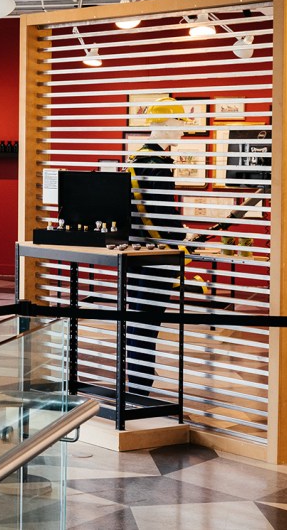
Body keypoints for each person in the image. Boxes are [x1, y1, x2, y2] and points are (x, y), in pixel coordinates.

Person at [126, 98, 189, 396]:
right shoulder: (157, 164)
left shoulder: (137, 157)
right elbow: (159, 212)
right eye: (180, 124)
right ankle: (141, 381)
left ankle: (138, 374)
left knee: (138, 314)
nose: (183, 131)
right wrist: (182, 238)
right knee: (148, 318)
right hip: (158, 251)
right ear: (165, 124)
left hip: (138, 250)